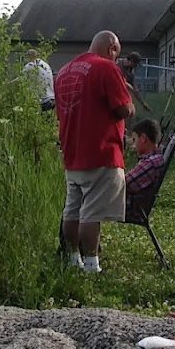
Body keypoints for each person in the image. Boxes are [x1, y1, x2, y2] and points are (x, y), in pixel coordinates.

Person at [54, 30, 134, 272]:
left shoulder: (64, 72)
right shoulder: (106, 68)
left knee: (72, 209)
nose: (116, 59)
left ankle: (72, 259)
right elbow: (123, 108)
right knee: (91, 213)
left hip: (72, 151)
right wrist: (131, 106)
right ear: (111, 47)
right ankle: (91, 266)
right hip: (101, 152)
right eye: (116, 53)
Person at [124, 117, 165, 223]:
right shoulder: (155, 158)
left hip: (132, 207)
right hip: (135, 204)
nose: (133, 145)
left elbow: (124, 184)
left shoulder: (150, 163)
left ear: (143, 138)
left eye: (134, 139)